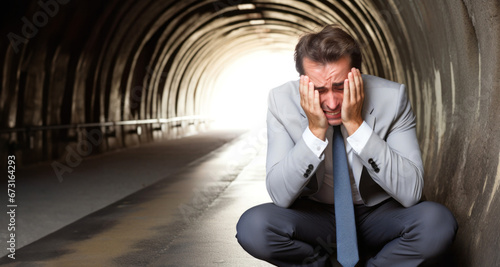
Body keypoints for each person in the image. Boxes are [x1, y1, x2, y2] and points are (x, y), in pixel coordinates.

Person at [236, 25, 458, 266]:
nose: (331, 102)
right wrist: (314, 131)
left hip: (379, 214)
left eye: (340, 86)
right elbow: (280, 195)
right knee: (254, 227)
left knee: (437, 223)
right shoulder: (281, 102)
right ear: (303, 82)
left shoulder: (392, 100)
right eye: (318, 90)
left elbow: (411, 192)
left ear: (357, 75)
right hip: (316, 216)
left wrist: (356, 125)